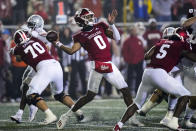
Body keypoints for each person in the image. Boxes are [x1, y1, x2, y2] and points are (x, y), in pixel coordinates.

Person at [48, 8, 133, 129]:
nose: (91, 18)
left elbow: (117, 38)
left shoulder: (101, 25)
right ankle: (66, 116)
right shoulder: (79, 35)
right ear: (81, 21)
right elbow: (72, 51)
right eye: (87, 17)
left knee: (125, 90)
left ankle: (132, 117)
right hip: (96, 66)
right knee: (90, 96)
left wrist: (112, 24)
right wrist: (58, 43)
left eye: (90, 16)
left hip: (109, 63)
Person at [113, 27, 196, 131]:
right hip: (160, 73)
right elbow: (192, 56)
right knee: (185, 95)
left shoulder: (160, 43)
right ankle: (173, 122)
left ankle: (119, 125)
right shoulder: (179, 45)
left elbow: (147, 56)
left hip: (147, 72)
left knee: (136, 104)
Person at [10, 15, 86, 124]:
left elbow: (51, 37)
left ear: (37, 25)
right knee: (57, 94)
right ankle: (78, 111)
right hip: (52, 64)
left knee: (30, 92)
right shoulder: (30, 33)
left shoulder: (38, 33)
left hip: (42, 65)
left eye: (31, 25)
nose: (29, 27)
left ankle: (42, 113)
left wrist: (15, 48)